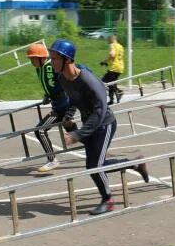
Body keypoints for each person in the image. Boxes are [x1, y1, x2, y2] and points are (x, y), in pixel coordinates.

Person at [49, 38, 149, 215]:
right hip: (90, 124)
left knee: (95, 165)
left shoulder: (88, 80)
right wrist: (69, 115)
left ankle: (108, 200)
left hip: (104, 124)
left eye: (55, 58)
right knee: (94, 166)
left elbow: (100, 111)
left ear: (67, 60)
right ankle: (134, 164)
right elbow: (73, 98)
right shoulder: (63, 78)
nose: (52, 61)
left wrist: (77, 135)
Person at [26, 42, 73, 173]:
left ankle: (52, 160)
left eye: (33, 58)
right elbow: (50, 85)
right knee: (75, 133)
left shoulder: (50, 66)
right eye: (30, 59)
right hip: (57, 104)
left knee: (40, 130)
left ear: (41, 58)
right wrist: (47, 95)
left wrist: (69, 108)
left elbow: (62, 82)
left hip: (62, 105)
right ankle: (94, 144)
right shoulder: (39, 68)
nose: (31, 61)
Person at [100, 34, 125, 105]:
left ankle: (119, 91)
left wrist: (104, 61)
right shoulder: (120, 46)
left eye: (108, 39)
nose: (108, 41)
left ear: (112, 39)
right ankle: (111, 100)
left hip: (114, 67)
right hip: (120, 67)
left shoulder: (113, 45)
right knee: (112, 82)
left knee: (104, 81)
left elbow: (112, 54)